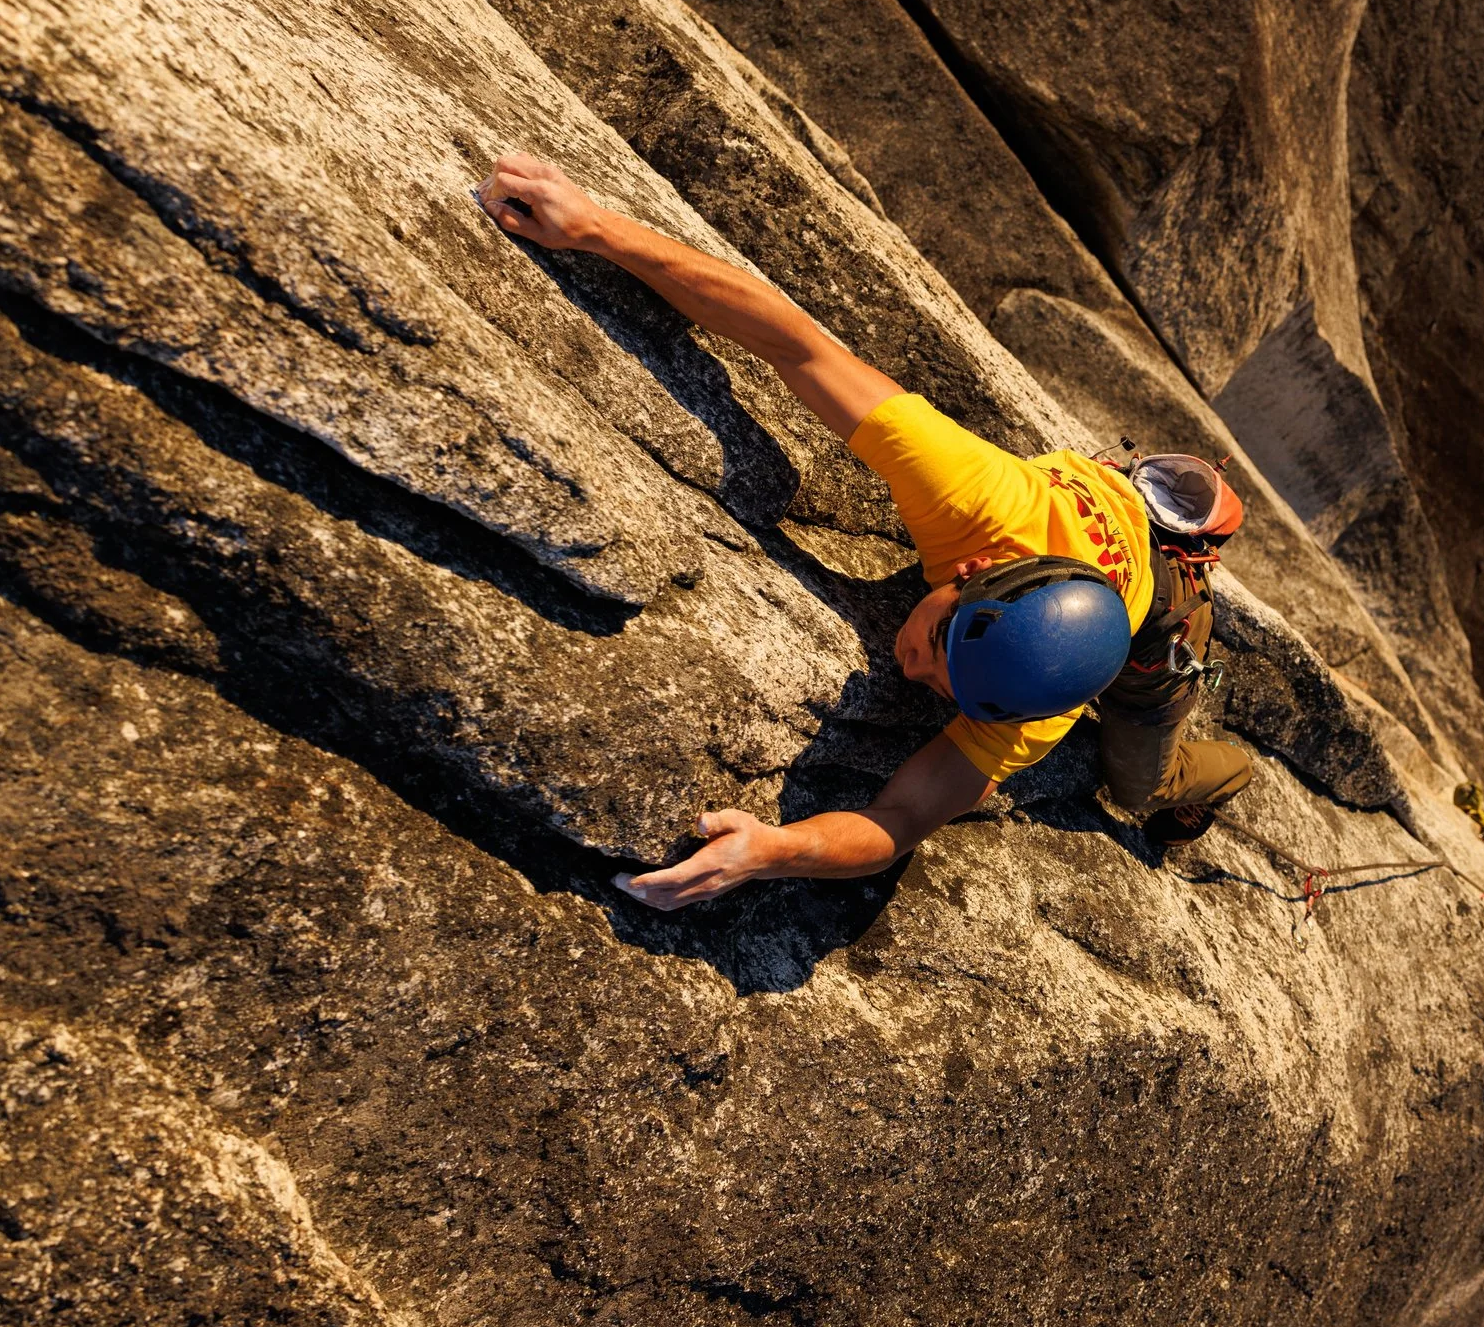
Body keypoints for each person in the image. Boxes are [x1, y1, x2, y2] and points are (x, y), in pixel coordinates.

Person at [470, 154, 1254, 910]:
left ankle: (1227, 773)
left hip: (1163, 614)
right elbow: (791, 339)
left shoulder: (1036, 705)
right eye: (943, 652)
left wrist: (775, 851)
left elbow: (903, 820)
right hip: (1104, 518)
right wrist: (595, 228)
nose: (918, 676)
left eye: (949, 685)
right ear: (975, 566)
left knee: (1136, 787)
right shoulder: (974, 496)